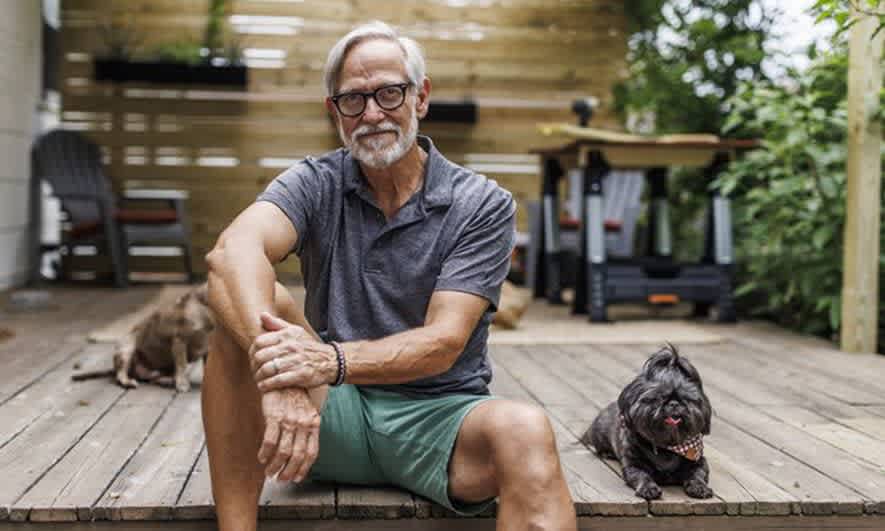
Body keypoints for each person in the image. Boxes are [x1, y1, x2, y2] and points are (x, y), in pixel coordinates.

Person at [202, 20, 578, 531]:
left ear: (421, 98)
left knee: (527, 428)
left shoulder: (480, 203)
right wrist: (284, 377)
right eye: (354, 100)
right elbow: (231, 251)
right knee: (244, 293)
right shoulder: (317, 182)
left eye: (389, 93)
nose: (373, 113)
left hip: (440, 421)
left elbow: (443, 342)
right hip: (326, 416)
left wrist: (323, 360)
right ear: (333, 112)